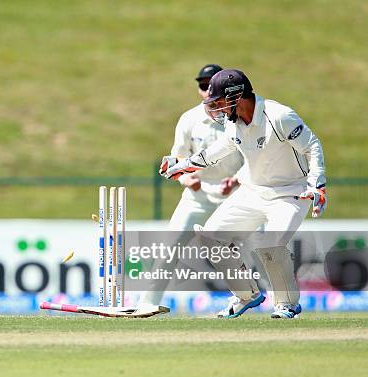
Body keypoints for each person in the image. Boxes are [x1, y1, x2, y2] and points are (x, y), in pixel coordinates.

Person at [162, 69, 326, 318]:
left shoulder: (280, 116)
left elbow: (312, 146)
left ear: (236, 97)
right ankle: (246, 295)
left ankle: (287, 304)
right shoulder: (233, 124)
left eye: (218, 102)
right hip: (252, 190)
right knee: (210, 238)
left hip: (290, 193)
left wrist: (317, 185)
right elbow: (214, 153)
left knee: (271, 243)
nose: (216, 109)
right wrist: (182, 165)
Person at [138, 64, 244, 306]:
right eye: (203, 85)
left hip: (236, 194)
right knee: (170, 248)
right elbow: (176, 159)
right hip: (199, 194)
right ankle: (147, 304)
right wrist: (187, 179)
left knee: (248, 249)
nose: (207, 90)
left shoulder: (237, 118)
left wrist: (236, 180)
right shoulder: (190, 119)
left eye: (211, 85)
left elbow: (254, 157)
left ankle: (269, 300)